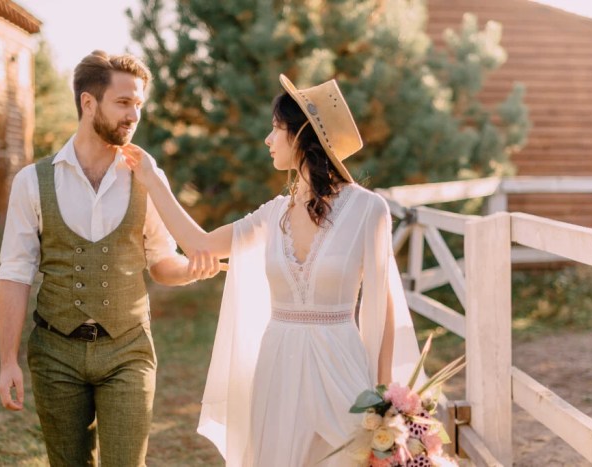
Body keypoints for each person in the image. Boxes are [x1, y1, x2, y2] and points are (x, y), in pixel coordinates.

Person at [122, 74, 421, 466]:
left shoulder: (369, 210)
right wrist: (152, 178)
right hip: (278, 365)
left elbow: (383, 306)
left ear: (302, 136)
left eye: (276, 128)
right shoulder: (272, 214)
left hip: (341, 366)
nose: (268, 139)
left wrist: (384, 396)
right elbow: (200, 243)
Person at [0, 50, 220, 467]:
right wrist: (8, 360)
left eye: (139, 104)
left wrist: (192, 271)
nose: (134, 114)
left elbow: (161, 263)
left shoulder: (147, 176)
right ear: (88, 103)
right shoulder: (32, 181)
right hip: (55, 352)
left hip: (128, 350)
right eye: (123, 102)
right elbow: (14, 273)